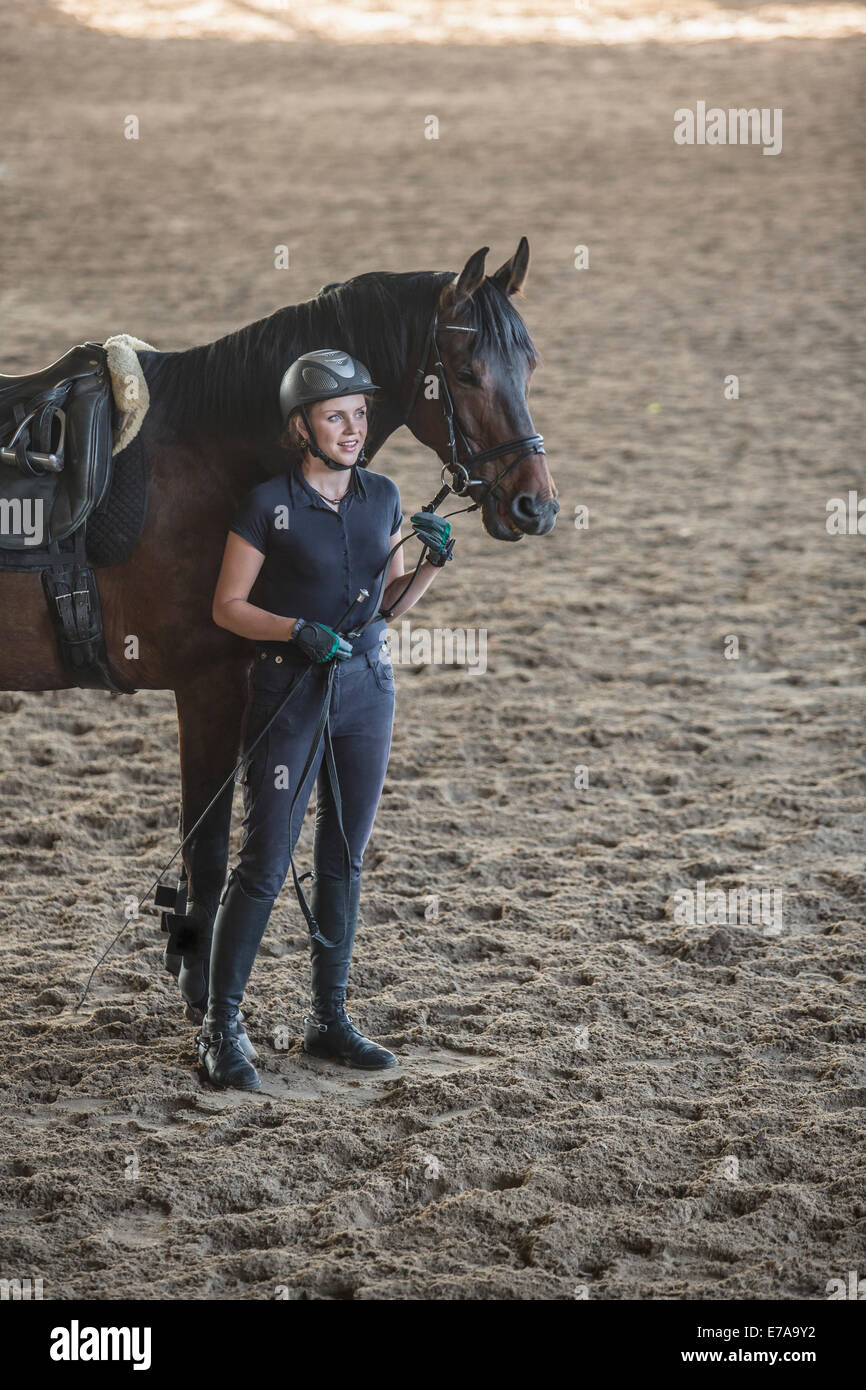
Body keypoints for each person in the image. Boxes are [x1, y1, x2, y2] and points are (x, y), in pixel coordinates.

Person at [193, 348, 455, 1090]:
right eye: (336, 416)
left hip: (368, 689)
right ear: (300, 426)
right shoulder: (266, 504)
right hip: (289, 692)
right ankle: (221, 1028)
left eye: (361, 414)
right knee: (266, 863)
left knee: (344, 855)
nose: (353, 428)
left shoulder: (382, 496)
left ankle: (330, 1021)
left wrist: (432, 563)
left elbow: (389, 608)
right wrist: (292, 631)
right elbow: (227, 606)